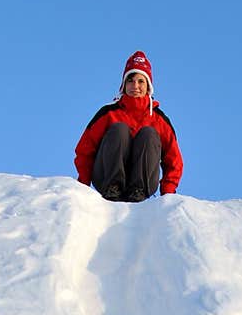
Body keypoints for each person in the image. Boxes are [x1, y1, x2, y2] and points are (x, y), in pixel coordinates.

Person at [74, 51, 183, 203]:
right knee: (119, 130)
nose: (135, 86)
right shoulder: (109, 113)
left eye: (141, 81)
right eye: (130, 81)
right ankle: (113, 187)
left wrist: (167, 194)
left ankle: (138, 190)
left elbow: (174, 160)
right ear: (124, 84)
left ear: (148, 86)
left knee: (149, 134)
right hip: (106, 180)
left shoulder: (159, 119)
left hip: (143, 184)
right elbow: (84, 150)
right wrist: (83, 186)